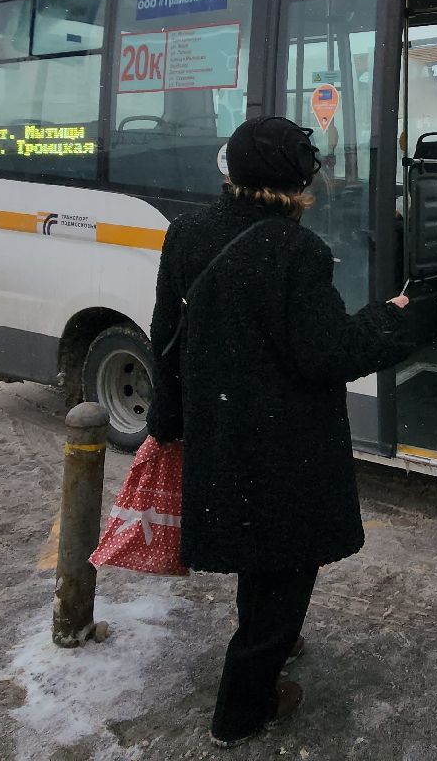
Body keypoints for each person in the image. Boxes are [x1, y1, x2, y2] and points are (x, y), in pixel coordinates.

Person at [145, 116, 414, 749]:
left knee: (258, 552)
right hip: (284, 442)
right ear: (298, 182)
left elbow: (166, 340)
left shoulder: (185, 235)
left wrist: (169, 423)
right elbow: (328, 352)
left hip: (222, 429)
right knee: (288, 564)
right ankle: (243, 709)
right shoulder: (297, 251)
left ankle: (273, 648)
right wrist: (387, 318)